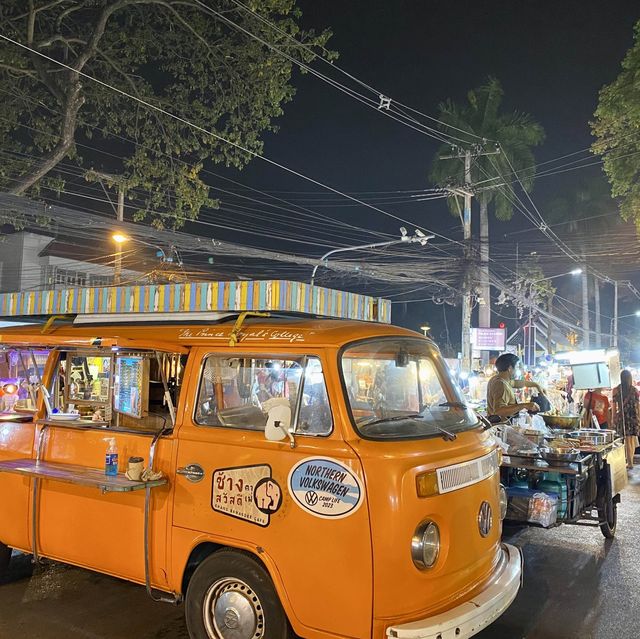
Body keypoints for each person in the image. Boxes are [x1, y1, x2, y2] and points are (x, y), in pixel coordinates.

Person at [486, 353, 544, 420]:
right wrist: (524, 405)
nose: (517, 370)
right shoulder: (501, 384)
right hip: (500, 427)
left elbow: (516, 383)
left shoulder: (498, 379)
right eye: (516, 367)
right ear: (510, 368)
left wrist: (536, 385)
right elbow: (499, 411)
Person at [611, 369, 640, 469]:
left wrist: (613, 419)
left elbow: (614, 406)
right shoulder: (635, 390)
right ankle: (630, 460)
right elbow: (638, 406)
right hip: (634, 417)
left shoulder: (616, 390)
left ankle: (630, 463)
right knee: (631, 439)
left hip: (624, 418)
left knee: (627, 440)